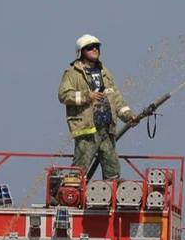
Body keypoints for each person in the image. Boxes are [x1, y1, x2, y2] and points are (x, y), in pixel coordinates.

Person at [58, 35, 138, 180]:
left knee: (112, 169)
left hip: (106, 129)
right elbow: (64, 95)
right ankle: (68, 195)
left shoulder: (104, 72)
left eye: (97, 46)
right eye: (90, 47)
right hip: (87, 130)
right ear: (81, 51)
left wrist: (129, 116)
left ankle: (109, 197)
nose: (95, 49)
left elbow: (116, 99)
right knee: (79, 170)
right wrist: (88, 96)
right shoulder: (72, 73)